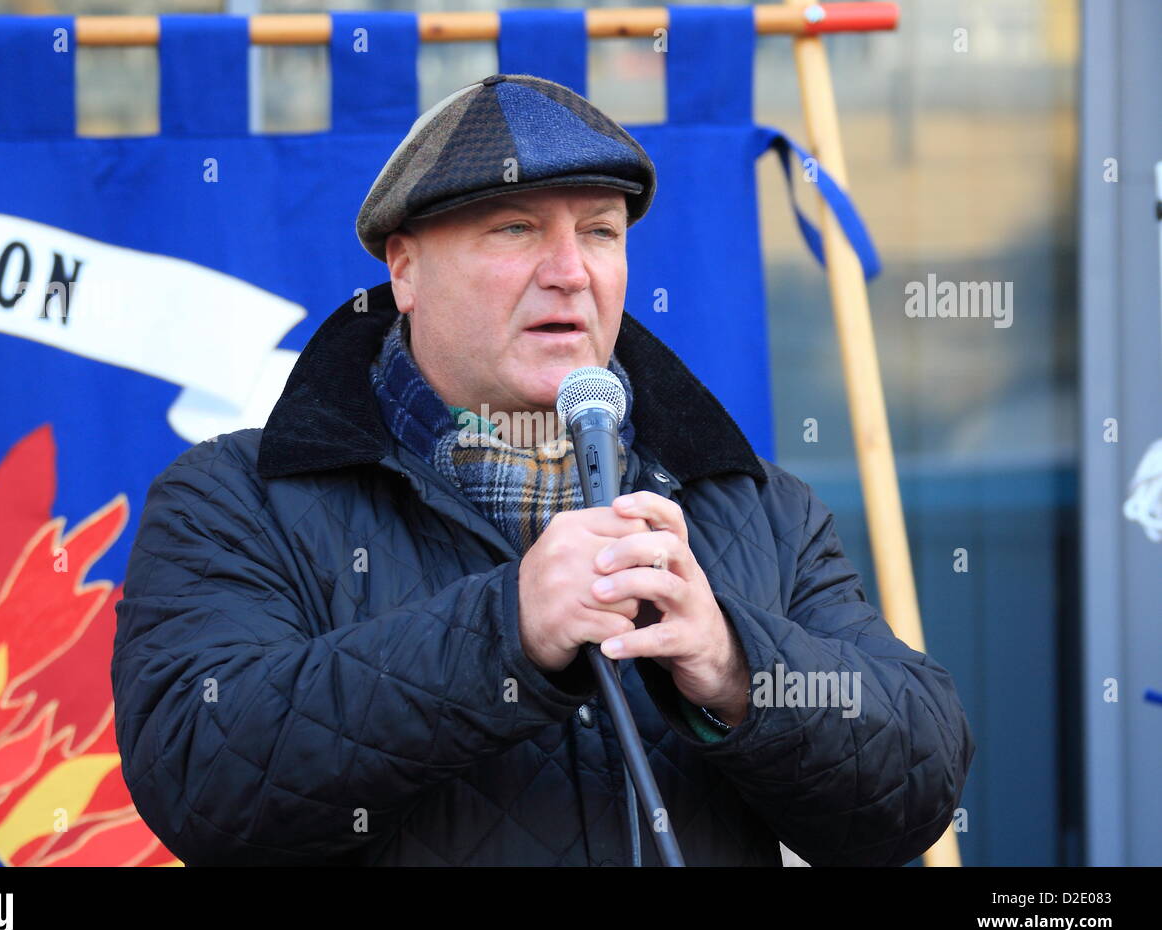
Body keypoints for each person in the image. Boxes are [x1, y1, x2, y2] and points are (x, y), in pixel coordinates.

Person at [111, 74, 974, 866]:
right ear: (404, 270)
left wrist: (738, 666)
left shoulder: (753, 503)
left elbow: (915, 787)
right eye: (515, 229)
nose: (569, 273)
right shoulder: (235, 500)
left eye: (599, 232)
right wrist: (507, 629)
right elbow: (201, 774)